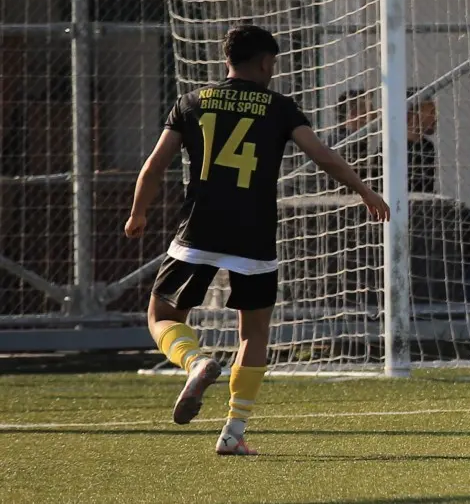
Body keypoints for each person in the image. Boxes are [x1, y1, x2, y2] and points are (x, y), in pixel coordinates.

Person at [124, 24, 389, 456]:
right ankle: (233, 431)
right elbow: (321, 155)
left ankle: (195, 362)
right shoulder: (279, 107)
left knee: (162, 313)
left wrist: (138, 212)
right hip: (256, 231)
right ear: (266, 62)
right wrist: (365, 192)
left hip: (200, 225)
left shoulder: (192, 102)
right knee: (255, 332)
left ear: (226, 59)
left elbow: (155, 165)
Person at [407, 90, 439, 194]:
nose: (435, 118)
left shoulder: (427, 146)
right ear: (414, 113)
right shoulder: (392, 148)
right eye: (431, 112)